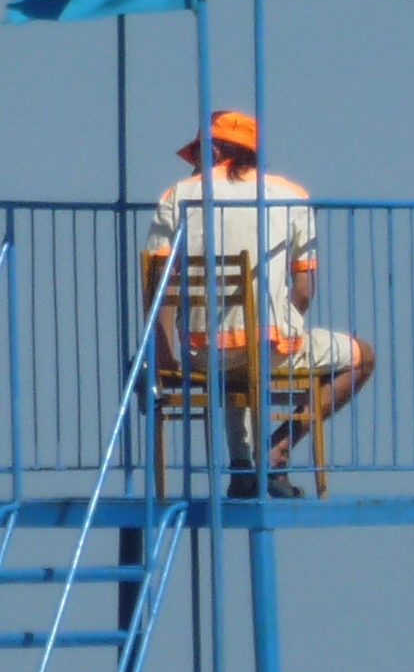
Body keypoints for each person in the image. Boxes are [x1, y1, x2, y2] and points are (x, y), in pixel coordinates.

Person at [142, 110, 374, 497]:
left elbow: (159, 282)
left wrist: (165, 355)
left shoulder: (177, 196)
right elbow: (304, 289)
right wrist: (286, 325)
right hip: (270, 347)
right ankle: (277, 449)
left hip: (201, 349)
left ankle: (242, 468)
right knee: (362, 357)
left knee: (233, 359)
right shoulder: (290, 195)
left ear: (215, 151)